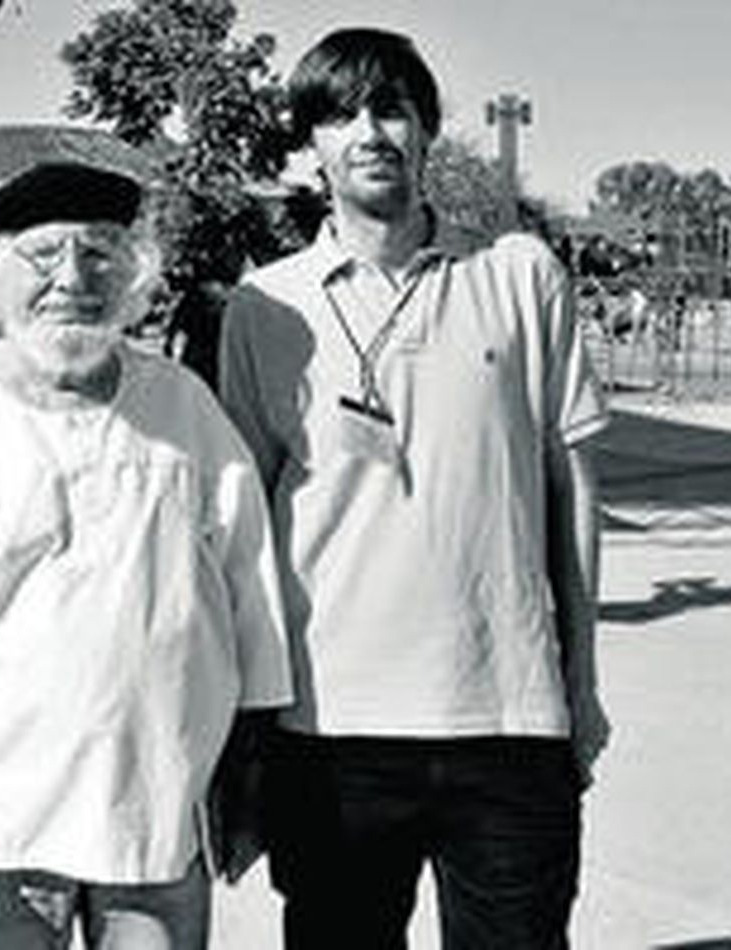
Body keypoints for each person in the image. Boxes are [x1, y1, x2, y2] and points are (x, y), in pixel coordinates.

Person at [0, 161, 293, 949]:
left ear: (133, 278)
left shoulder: (185, 406)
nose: (73, 279)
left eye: (101, 254)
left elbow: (252, 598)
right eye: (43, 257)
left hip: (153, 814)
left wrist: (248, 776)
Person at [218, 28, 610, 948]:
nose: (369, 132)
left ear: (428, 128)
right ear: (309, 145)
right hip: (330, 730)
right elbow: (240, 537)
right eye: (338, 114)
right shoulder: (263, 309)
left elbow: (573, 494)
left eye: (391, 107)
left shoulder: (519, 276)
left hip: (509, 717)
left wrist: (581, 685)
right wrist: (245, 735)